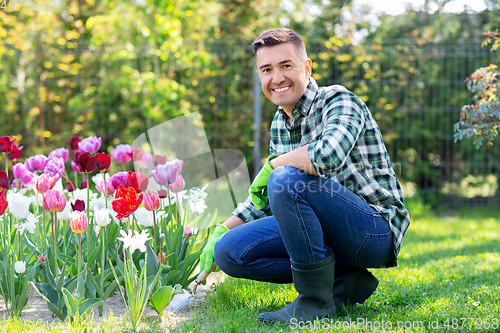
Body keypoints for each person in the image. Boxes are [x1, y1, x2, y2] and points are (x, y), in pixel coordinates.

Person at [199, 28, 410, 325]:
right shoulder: (279, 123)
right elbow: (269, 196)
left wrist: (273, 167)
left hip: (372, 231)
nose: (277, 78)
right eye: (266, 70)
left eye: (286, 66)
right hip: (323, 230)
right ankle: (343, 281)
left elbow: (327, 156)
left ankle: (315, 301)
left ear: (307, 67)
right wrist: (222, 229)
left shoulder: (338, 100)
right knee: (230, 251)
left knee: (284, 178)